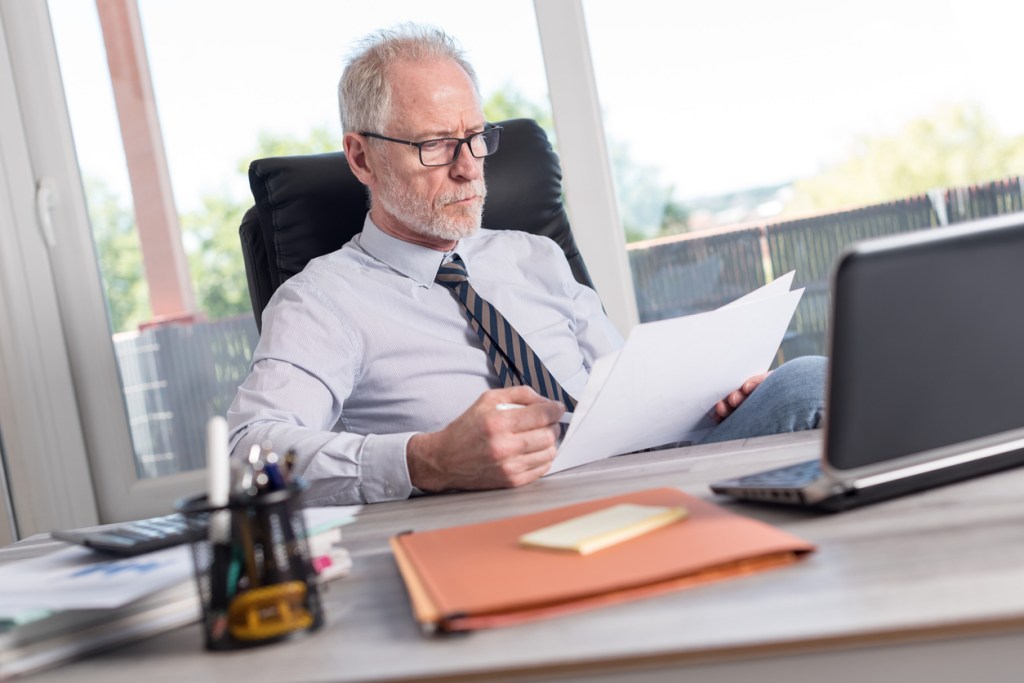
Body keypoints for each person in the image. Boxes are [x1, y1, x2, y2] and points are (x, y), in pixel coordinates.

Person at [227, 25, 826, 506]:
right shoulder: (322, 300)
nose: (468, 167)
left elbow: (622, 393)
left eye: (475, 137)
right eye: (435, 145)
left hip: (633, 477)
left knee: (808, 379)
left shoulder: (535, 256)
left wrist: (701, 403)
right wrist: (426, 460)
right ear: (361, 158)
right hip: (497, 513)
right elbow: (246, 456)